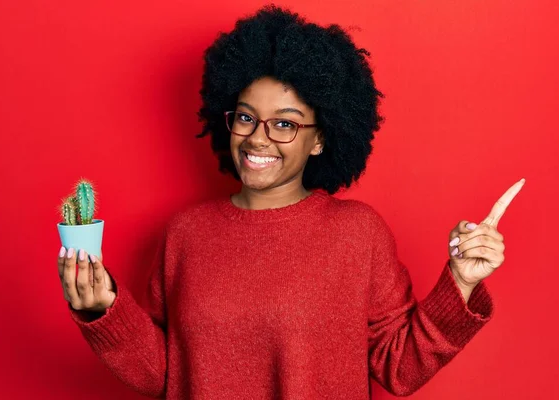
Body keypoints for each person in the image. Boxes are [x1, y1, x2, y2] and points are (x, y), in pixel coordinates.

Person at [56, 4, 525, 399]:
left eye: (284, 123)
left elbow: (397, 367)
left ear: (320, 139)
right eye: (246, 117)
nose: (258, 139)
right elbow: (164, 372)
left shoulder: (357, 233)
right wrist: (104, 310)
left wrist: (460, 283)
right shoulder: (186, 232)